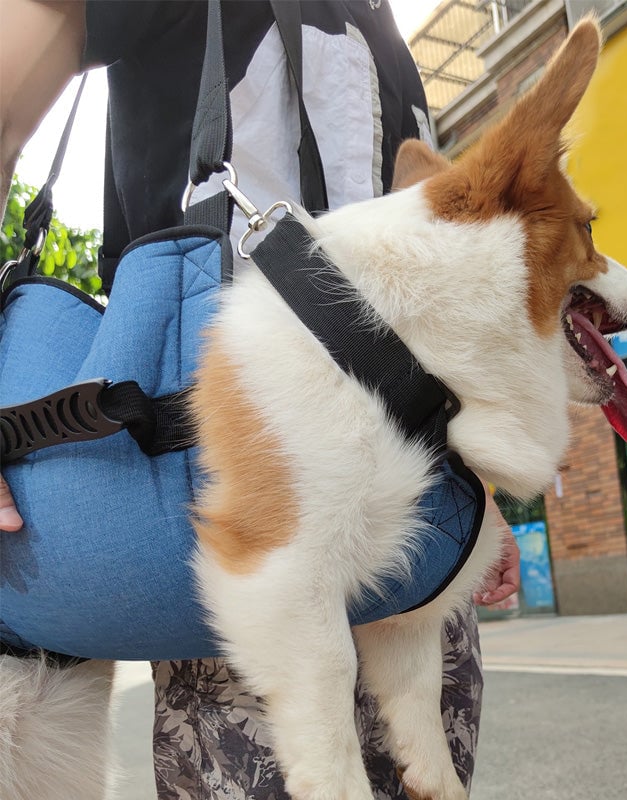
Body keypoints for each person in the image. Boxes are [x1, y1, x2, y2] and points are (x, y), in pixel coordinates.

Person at [0, 1, 521, 798]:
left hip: (407, 520)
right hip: (235, 494)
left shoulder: (381, 28)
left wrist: (472, 492)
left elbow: (419, 300)